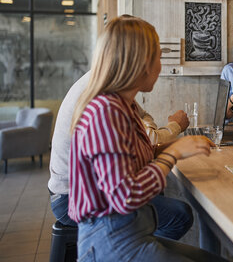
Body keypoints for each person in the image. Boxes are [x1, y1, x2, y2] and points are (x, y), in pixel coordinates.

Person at [68, 15, 223, 261]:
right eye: (158, 57)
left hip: (130, 231)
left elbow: (132, 157)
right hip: (110, 242)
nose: (161, 66)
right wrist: (173, 154)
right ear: (141, 63)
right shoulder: (105, 112)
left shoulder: (123, 106)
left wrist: (176, 145)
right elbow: (125, 197)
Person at [48, 70, 192, 240]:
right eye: (156, 58)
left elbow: (144, 127)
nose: (159, 68)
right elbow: (123, 190)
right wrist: (172, 149)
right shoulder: (104, 100)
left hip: (82, 193)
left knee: (161, 197)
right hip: (74, 200)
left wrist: (173, 147)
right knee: (179, 215)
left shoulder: (110, 88)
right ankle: (139, 249)